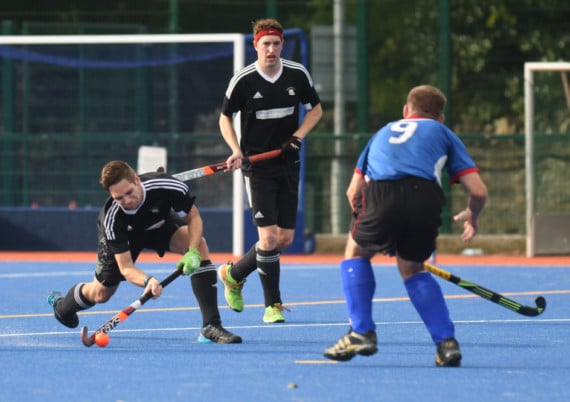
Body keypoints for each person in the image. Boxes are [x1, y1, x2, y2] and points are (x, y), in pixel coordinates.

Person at [322, 85, 488, 366]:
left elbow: (353, 191)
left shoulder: (383, 131)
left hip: (382, 193)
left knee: (356, 252)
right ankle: (446, 344)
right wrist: (473, 214)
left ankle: (361, 332)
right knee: (412, 268)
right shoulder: (444, 133)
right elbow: (479, 192)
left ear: (405, 111)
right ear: (440, 118)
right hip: (425, 196)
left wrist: (374, 225)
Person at [47, 160, 241, 344]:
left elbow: (194, 217)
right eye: (119, 198)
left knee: (199, 245)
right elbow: (126, 268)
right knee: (101, 294)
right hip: (127, 238)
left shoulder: (166, 186)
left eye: (129, 192)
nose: (127, 201)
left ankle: (210, 326)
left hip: (158, 225)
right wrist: (148, 281)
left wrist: (192, 251)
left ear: (136, 179)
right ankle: (62, 308)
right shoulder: (112, 219)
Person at [217, 18, 323, 323]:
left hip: (288, 162)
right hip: (258, 166)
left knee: (284, 239)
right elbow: (225, 118)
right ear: (256, 46)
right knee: (269, 239)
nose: (272, 49)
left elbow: (315, 110)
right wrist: (236, 150)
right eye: (266, 44)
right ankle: (272, 305)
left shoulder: (297, 74)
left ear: (282, 44)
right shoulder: (243, 80)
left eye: (276, 43)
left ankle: (234, 274)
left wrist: (297, 137)